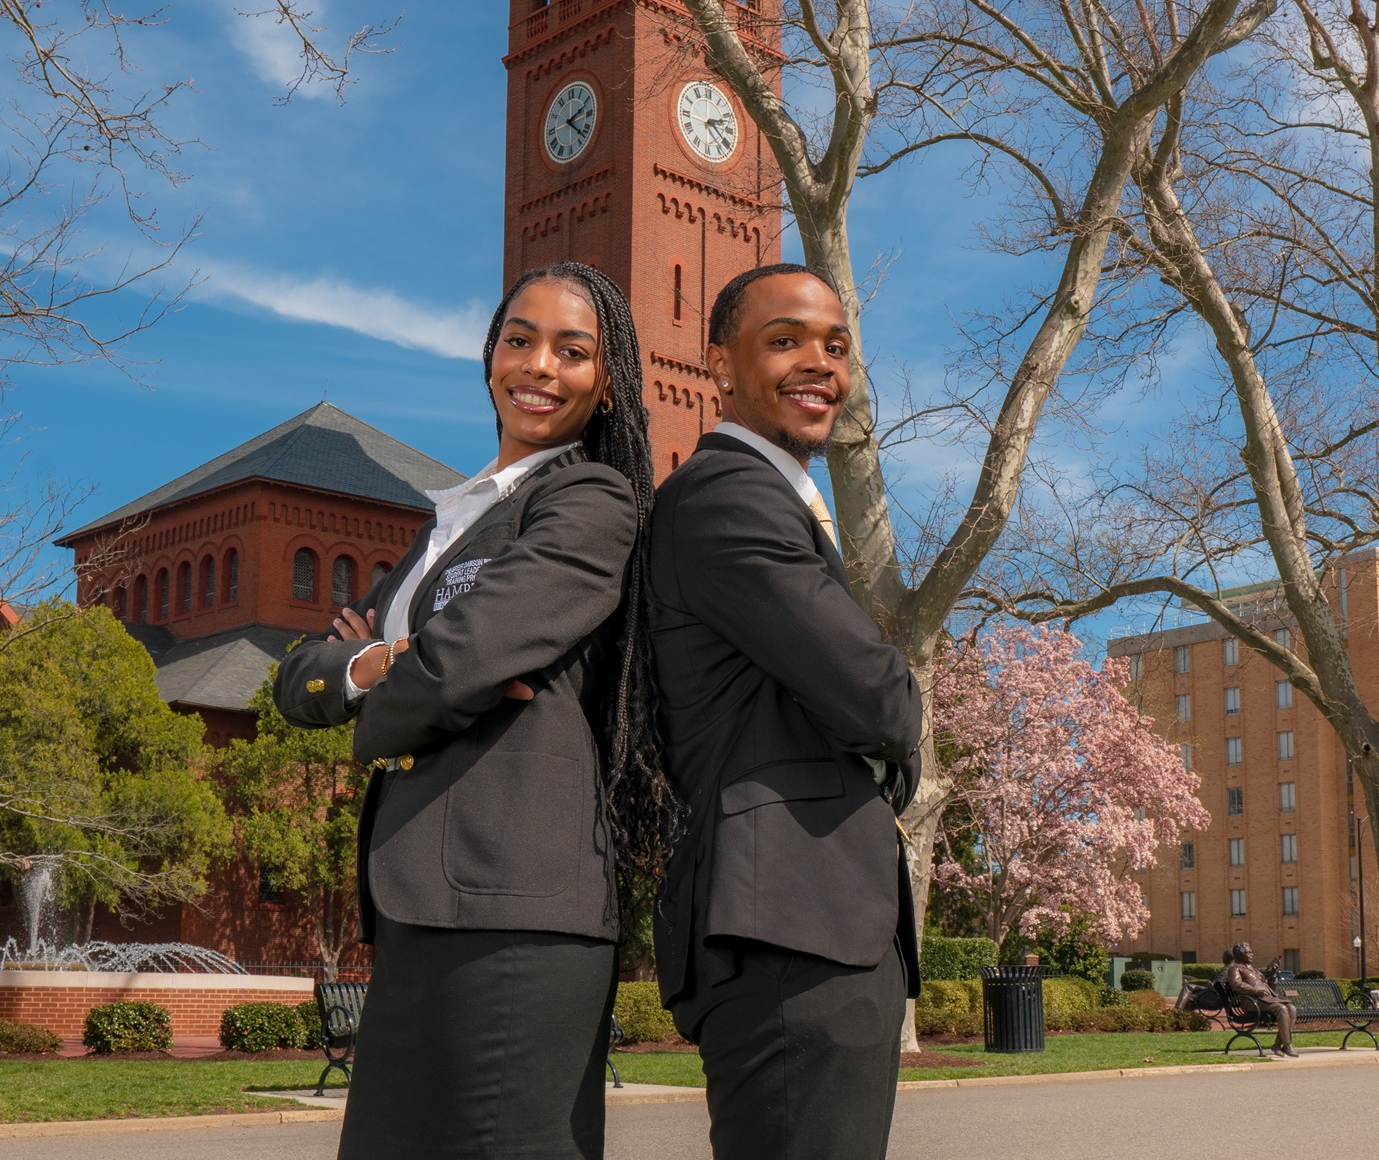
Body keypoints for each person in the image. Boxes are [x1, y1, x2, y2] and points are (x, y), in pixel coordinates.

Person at [274, 262, 669, 1160]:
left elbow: (464, 659)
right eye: (519, 340)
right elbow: (299, 676)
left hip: (516, 901)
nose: (538, 366)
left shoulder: (588, 500)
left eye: (572, 352)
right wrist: (381, 661)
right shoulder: (443, 526)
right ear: (489, 353)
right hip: (421, 897)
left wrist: (386, 685)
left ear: (607, 383)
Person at [647, 262, 924, 1160]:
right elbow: (879, 694)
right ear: (719, 362)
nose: (819, 364)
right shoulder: (728, 495)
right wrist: (889, 726)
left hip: (812, 931)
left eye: (836, 346)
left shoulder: (779, 500)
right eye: (785, 340)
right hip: (788, 936)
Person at [1227, 941, 1299, 1057]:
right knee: (1281, 1008)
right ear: (1240, 954)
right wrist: (1254, 991)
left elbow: (1271, 987)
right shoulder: (1235, 968)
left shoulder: (1255, 971)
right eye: (1248, 952)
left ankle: (1277, 1044)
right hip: (1251, 1001)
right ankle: (1287, 1044)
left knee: (1292, 1008)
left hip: (1265, 999)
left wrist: (1274, 974)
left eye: (1252, 952)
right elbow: (1236, 984)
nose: (1252, 954)